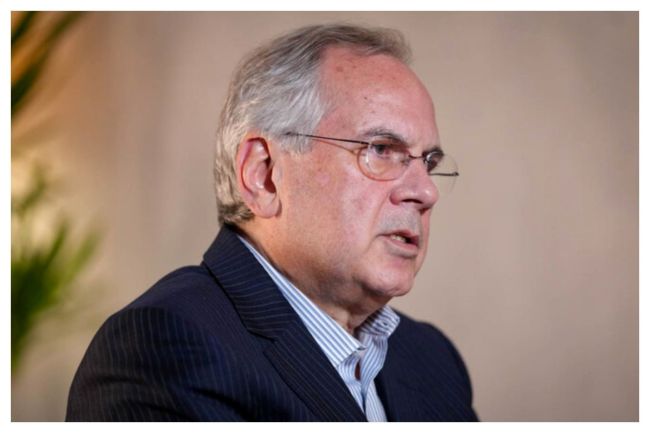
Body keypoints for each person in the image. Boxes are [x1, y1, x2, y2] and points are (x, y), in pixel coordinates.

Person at [66, 23, 478, 422]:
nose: (426, 192)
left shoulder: (432, 359)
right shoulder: (162, 347)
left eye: (429, 163)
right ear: (263, 175)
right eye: (381, 149)